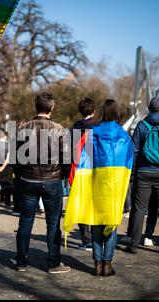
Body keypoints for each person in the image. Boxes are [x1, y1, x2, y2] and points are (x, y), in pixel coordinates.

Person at [64, 99, 133, 276]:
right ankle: (107, 265)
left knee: (95, 222)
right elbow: (129, 162)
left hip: (95, 184)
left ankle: (97, 264)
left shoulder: (91, 133)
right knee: (111, 222)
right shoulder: (123, 135)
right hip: (114, 187)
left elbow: (81, 160)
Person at [15, 92, 71, 274]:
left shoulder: (23, 128)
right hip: (52, 179)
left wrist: (21, 174)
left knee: (25, 221)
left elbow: (16, 158)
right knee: (53, 223)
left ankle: (21, 262)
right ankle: (54, 262)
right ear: (52, 108)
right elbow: (67, 158)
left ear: (36, 107)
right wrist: (63, 175)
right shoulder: (58, 129)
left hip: (28, 179)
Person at [125, 97, 159, 254]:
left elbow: (134, 151)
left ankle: (133, 244)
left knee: (139, 208)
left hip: (144, 172)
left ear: (149, 108)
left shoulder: (141, 126)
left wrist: (134, 172)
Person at [69, 98, 95, 251]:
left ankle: (86, 239)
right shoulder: (99, 127)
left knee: (82, 206)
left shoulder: (74, 129)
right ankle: (97, 238)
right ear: (93, 111)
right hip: (96, 170)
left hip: (78, 170)